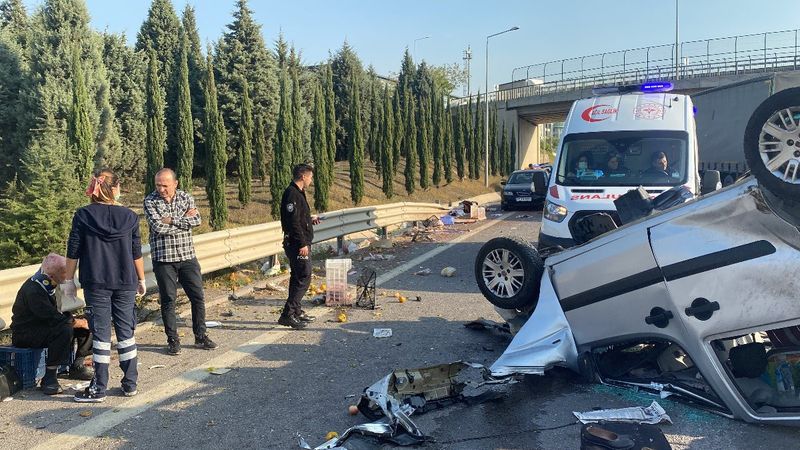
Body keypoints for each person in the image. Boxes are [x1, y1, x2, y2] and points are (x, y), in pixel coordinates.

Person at [64, 169, 145, 402]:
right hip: (125, 281)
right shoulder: (130, 217)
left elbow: (73, 251)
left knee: (100, 336)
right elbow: (135, 252)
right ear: (116, 189)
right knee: (126, 334)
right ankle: (130, 384)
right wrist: (140, 279)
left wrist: (69, 280)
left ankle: (99, 388)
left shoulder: (83, 215)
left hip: (96, 283)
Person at [144, 168, 217, 356]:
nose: (161, 189)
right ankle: (173, 339)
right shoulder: (150, 201)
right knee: (168, 300)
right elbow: (158, 227)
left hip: (187, 256)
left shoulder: (185, 197)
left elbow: (198, 220)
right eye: (158, 185)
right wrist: (184, 220)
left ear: (175, 184)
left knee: (198, 297)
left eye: (165, 185)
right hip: (164, 259)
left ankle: (200, 335)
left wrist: (172, 220)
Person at [10, 254, 94, 395]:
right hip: (26, 333)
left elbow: (59, 313)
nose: (67, 275)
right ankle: (49, 377)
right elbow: (51, 317)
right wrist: (76, 322)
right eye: (63, 272)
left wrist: (82, 321)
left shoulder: (51, 285)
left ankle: (77, 364)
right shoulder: (33, 290)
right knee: (65, 329)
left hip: (45, 325)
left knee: (90, 321)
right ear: (51, 275)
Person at [278, 164, 321, 330]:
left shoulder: (299, 193)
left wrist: (310, 219)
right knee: (304, 276)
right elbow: (293, 222)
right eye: (310, 176)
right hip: (297, 244)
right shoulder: (292, 194)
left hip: (299, 242)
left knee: (298, 276)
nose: (311, 180)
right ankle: (287, 314)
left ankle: (296, 311)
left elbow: (299, 217)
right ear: (303, 176)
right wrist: (302, 243)